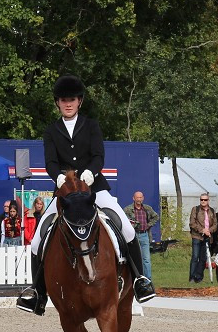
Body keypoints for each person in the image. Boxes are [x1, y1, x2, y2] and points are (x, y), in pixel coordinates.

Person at [16, 75, 156, 314]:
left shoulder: (91, 126)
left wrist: (90, 173)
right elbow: (50, 161)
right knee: (38, 238)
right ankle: (37, 293)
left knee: (127, 228)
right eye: (63, 100)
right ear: (57, 103)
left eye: (72, 99)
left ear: (79, 101)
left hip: (94, 188)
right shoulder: (52, 130)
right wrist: (59, 178)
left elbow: (98, 155)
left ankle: (140, 280)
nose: (68, 104)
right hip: (66, 193)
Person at [123, 190, 160, 280]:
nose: (139, 199)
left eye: (140, 197)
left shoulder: (147, 208)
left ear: (143, 198)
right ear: (133, 198)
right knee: (134, 259)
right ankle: (135, 279)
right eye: (137, 197)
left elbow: (156, 217)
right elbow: (123, 220)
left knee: (146, 259)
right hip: (133, 236)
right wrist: (131, 225)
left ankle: (147, 281)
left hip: (144, 235)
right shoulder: (127, 209)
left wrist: (149, 225)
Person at [188, 193, 216, 283]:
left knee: (203, 258)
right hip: (197, 236)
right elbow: (192, 223)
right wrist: (202, 230)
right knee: (195, 256)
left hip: (208, 237)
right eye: (201, 200)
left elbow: (215, 224)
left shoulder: (212, 210)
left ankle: (199, 277)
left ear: (208, 200)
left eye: (205, 200)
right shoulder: (195, 209)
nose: (203, 201)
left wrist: (209, 231)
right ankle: (192, 277)